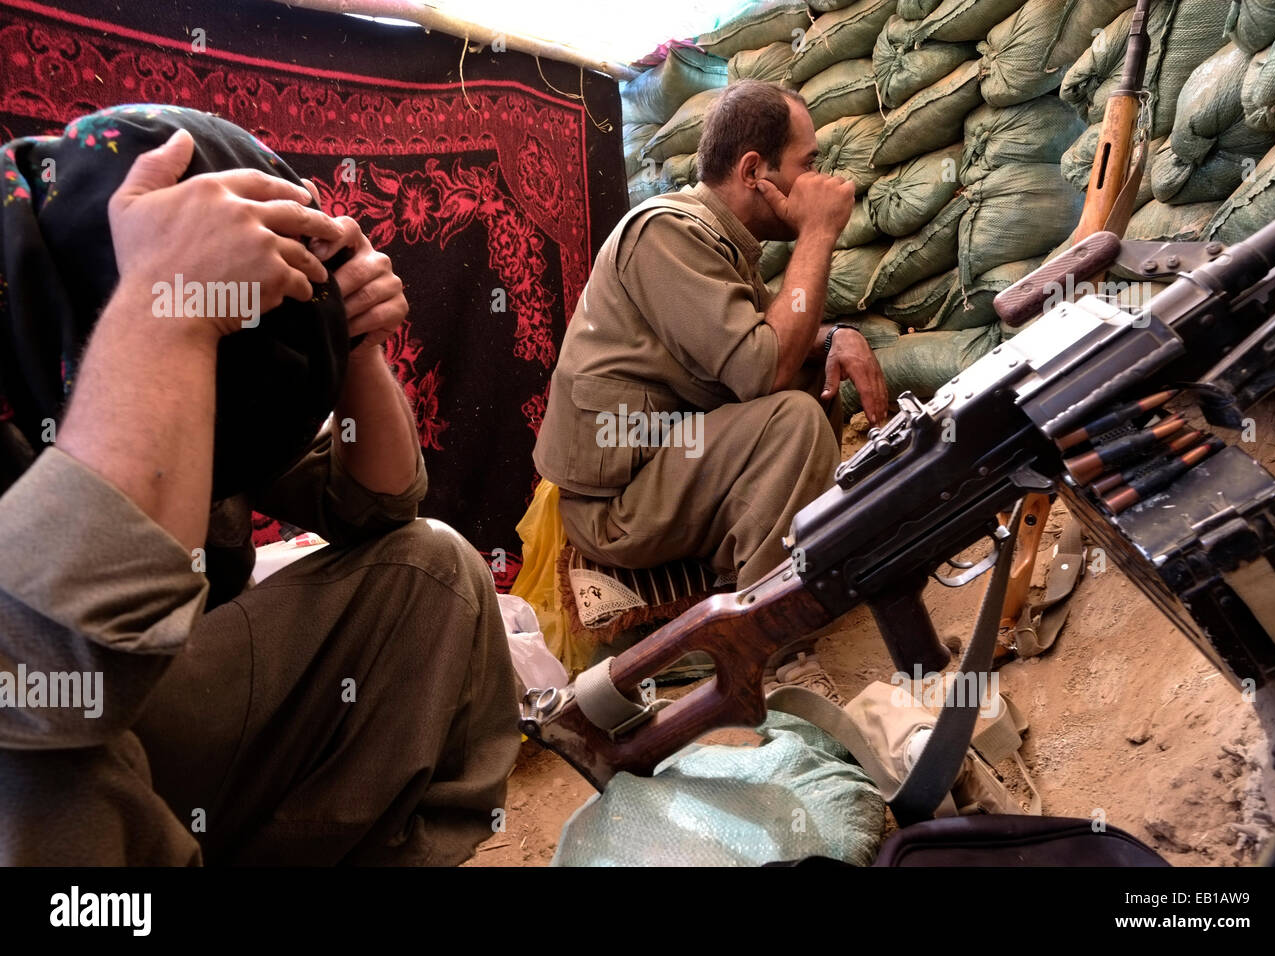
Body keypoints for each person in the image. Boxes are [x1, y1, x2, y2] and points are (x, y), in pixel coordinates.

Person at [0, 106, 519, 865]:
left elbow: (379, 505)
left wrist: (353, 349)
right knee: (35, 748)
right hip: (51, 718)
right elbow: (58, 672)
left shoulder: (219, 368)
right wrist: (162, 312)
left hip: (152, 711)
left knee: (433, 571)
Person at [533, 80, 890, 700]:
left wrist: (838, 335)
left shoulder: (716, 240)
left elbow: (771, 340)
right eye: (805, 164)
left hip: (663, 463)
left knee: (814, 385)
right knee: (795, 419)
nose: (818, 179)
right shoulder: (668, 233)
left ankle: (768, 576)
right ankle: (772, 645)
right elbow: (761, 368)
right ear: (754, 170)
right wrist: (817, 235)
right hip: (616, 506)